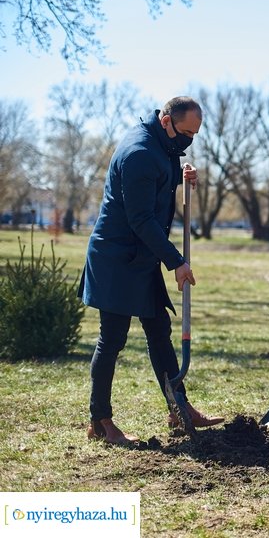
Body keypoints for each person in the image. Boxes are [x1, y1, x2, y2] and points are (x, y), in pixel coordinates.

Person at [79, 96, 224, 446]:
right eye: (185, 132)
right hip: (117, 258)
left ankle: (180, 408)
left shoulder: (160, 144)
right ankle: (100, 422)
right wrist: (176, 261)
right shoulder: (139, 153)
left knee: (159, 330)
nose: (188, 141)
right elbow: (141, 218)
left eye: (194, 134)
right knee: (111, 340)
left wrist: (181, 174)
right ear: (166, 121)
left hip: (139, 257)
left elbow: (165, 168)